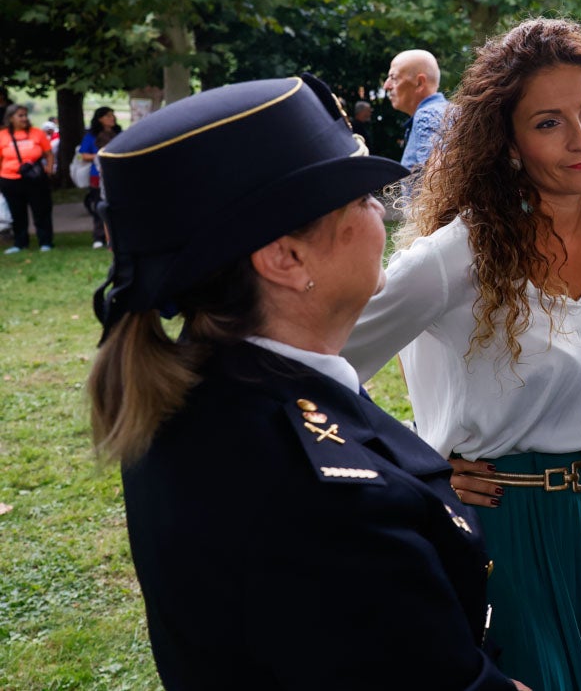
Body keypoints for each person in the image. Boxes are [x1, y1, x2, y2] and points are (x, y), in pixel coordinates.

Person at [85, 76, 521, 690]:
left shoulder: (200, 390)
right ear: (286, 259)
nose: (381, 209)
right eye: (362, 198)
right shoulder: (330, 497)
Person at [343, 19, 581, 691]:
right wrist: (414, 469)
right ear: (507, 142)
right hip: (503, 525)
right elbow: (321, 366)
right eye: (549, 123)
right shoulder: (454, 257)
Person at [1, 103, 56, 254]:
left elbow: (49, 153)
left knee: (42, 211)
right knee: (17, 213)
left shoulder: (37, 133)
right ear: (11, 118)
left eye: (25, 115)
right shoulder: (3, 135)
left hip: (36, 178)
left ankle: (45, 242)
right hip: (10, 180)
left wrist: (49, 169)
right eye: (20, 116)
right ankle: (20, 243)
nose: (24, 118)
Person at [385, 48, 446, 172]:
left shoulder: (427, 117)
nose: (386, 86)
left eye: (393, 78)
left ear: (419, 83)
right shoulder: (446, 112)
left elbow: (438, 181)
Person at [77, 106, 120, 248]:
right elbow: (83, 155)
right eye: (108, 116)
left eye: (112, 115)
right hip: (98, 174)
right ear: (100, 119)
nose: (111, 118)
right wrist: (101, 157)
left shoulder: (119, 133)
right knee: (99, 206)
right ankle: (99, 236)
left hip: (117, 173)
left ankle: (117, 236)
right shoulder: (91, 136)